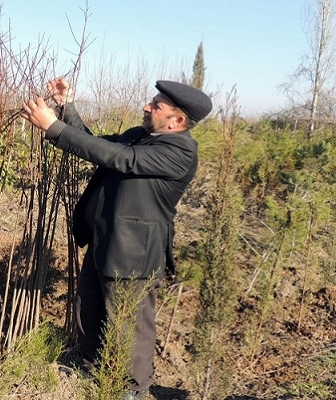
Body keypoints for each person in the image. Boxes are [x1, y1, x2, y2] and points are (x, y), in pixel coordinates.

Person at [21, 77, 212, 400]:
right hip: (104, 239)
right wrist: (67, 107)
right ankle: (92, 369)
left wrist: (53, 128)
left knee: (131, 325)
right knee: (90, 308)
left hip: (134, 252)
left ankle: (131, 388)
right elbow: (97, 146)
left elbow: (121, 159)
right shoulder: (141, 136)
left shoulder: (180, 151)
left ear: (177, 120)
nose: (146, 106)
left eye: (156, 105)